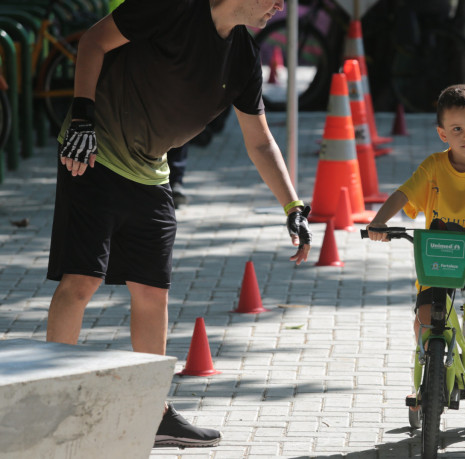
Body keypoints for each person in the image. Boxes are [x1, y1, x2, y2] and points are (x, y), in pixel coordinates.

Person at [47, 0, 312, 448]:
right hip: (95, 153)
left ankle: (152, 410)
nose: (280, 6)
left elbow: (259, 140)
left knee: (152, 292)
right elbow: (94, 41)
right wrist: (81, 116)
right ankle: (51, 404)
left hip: (151, 171)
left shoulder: (245, 56)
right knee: (82, 281)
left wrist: (293, 205)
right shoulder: (170, 7)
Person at [366, 84, 465, 375]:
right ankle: (425, 382)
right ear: (442, 134)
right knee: (424, 321)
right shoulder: (433, 166)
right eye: (457, 129)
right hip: (439, 251)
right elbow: (403, 194)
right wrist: (379, 223)